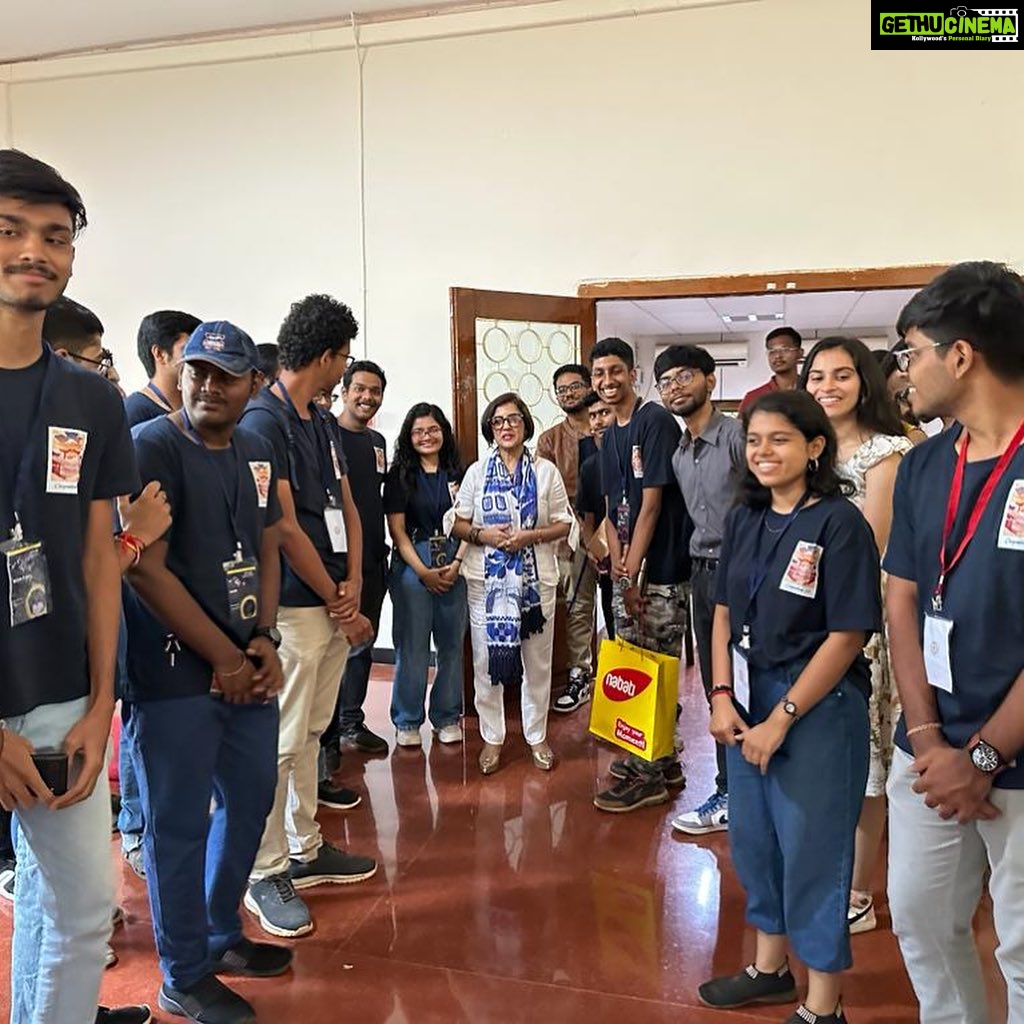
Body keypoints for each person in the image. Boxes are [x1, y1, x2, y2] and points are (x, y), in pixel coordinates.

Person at [0, 148, 152, 1024]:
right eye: (11, 230)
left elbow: (100, 556)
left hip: (62, 700)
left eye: (54, 236)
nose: (35, 250)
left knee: (83, 910)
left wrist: (102, 705)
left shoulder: (89, 402)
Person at [124, 321, 291, 1024]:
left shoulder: (255, 447)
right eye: (197, 371)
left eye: (226, 374)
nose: (208, 386)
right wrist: (223, 658)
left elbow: (269, 543)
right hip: (174, 676)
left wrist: (263, 638)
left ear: (253, 384)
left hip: (246, 664)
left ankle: (222, 933)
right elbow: (145, 573)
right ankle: (183, 972)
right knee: (179, 826)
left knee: (250, 800)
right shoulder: (151, 446)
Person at [698, 390, 880, 1024]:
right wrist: (720, 696)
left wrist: (781, 719)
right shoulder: (747, 516)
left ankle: (824, 1005)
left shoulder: (839, 523)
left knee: (814, 853)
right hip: (746, 695)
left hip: (817, 705)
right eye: (753, 441)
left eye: (779, 439)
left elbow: (849, 634)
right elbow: (722, 611)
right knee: (756, 843)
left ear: (814, 447)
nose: (763, 452)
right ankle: (770, 970)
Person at [883, 261, 1024, 1024]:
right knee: (922, 920)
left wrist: (984, 756)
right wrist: (932, 737)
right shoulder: (927, 463)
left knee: (1023, 949)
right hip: (930, 747)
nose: (904, 372)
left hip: (1015, 758)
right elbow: (902, 597)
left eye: (911, 352)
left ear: (960, 355)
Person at [239, 294, 376, 940]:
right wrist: (336, 596)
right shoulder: (263, 419)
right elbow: (285, 525)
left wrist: (352, 582)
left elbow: (345, 500)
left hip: (332, 596)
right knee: (281, 740)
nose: (344, 369)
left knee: (313, 733)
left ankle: (305, 845)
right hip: (295, 605)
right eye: (343, 358)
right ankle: (264, 869)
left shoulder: (318, 418)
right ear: (324, 357)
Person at [801, 335, 912, 934]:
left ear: (864, 383)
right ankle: (827, 873)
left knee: (867, 764)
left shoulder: (887, 452)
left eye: (842, 375)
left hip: (861, 620)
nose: (828, 387)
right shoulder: (807, 450)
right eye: (817, 377)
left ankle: (859, 891)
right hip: (806, 625)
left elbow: (867, 548)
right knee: (823, 759)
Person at [588, 337, 692, 813]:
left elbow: (651, 505)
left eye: (615, 371)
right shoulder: (609, 433)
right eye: (598, 374)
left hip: (661, 571)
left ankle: (649, 775)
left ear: (633, 373)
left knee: (657, 667)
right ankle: (658, 758)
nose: (607, 381)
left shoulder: (655, 422)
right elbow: (614, 508)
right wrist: (618, 569)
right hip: (628, 570)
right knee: (633, 662)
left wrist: (633, 577)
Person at [451, 393, 573, 775]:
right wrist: (482, 535)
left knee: (537, 664)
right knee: (486, 663)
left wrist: (529, 537)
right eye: (499, 420)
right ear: (491, 428)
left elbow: (564, 524)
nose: (506, 426)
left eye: (514, 419)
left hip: (536, 584)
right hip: (485, 584)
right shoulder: (476, 472)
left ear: (525, 425)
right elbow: (455, 522)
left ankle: (536, 736)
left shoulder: (545, 472)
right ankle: (492, 736)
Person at [656, 344, 746, 836]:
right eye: (666, 381)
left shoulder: (736, 437)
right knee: (718, 685)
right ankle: (728, 789)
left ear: (711, 380)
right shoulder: (678, 453)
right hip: (703, 572)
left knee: (754, 681)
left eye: (684, 376)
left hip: (746, 573)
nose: (675, 387)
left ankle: (752, 791)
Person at [385, 403, 468, 745]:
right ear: (409, 437)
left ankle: (447, 716)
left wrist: (458, 563)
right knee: (413, 646)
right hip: (412, 562)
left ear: (443, 432)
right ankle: (407, 720)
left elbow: (469, 522)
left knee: (451, 645)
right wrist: (422, 571)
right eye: (418, 431)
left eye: (433, 429)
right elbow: (398, 533)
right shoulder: (399, 475)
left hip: (455, 560)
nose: (426, 436)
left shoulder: (459, 474)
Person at [321, 360, 391, 762]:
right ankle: (327, 740)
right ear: (345, 391)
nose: (367, 397)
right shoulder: (325, 434)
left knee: (363, 645)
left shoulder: (378, 442)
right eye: (360, 389)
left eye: (375, 391)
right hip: (334, 562)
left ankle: (351, 721)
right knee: (333, 651)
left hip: (372, 560)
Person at [535, 363, 599, 713]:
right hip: (572, 531)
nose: (569, 394)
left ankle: (630, 680)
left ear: (590, 386)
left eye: (575, 386)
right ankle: (580, 675)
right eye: (561, 390)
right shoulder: (549, 440)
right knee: (578, 606)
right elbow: (544, 494)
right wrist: (577, 531)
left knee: (623, 610)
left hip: (616, 529)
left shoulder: (608, 425)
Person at [575, 398, 615, 643]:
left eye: (604, 412)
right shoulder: (590, 467)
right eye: (593, 415)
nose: (599, 421)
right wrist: (592, 549)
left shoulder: (635, 456)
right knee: (614, 631)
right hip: (608, 562)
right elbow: (587, 518)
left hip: (640, 562)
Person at [124, 311, 202, 428]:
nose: (199, 357)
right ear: (160, 354)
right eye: (188, 349)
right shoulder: (132, 412)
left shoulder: (201, 408)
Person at [739, 327, 804, 413]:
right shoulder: (754, 398)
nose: (777, 356)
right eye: (772, 351)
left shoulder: (812, 391)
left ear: (799, 353)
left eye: (784, 350)